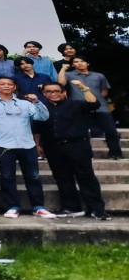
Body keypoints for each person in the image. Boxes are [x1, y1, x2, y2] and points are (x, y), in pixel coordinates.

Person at [0, 77, 56, 218]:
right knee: (7, 176)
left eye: (10, 84)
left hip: (27, 144)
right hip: (3, 145)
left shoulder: (25, 104)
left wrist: (37, 102)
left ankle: (38, 207)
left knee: (33, 176)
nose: (6, 86)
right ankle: (13, 206)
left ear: (14, 87)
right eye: (2, 84)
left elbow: (43, 117)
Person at [38, 81, 111, 220]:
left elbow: (94, 104)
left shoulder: (77, 104)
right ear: (44, 93)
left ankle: (97, 209)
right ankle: (71, 207)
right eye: (48, 91)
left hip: (77, 146)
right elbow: (37, 128)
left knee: (86, 177)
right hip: (53, 148)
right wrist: (38, 145)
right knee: (62, 178)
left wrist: (84, 88)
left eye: (56, 91)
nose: (53, 94)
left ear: (64, 92)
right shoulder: (42, 108)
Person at [58, 56, 123, 160]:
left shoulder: (99, 76)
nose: (80, 63)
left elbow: (104, 92)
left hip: (101, 107)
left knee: (111, 131)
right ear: (73, 64)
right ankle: (85, 155)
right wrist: (63, 69)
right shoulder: (69, 75)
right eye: (76, 62)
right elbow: (61, 83)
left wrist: (94, 99)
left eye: (82, 61)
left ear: (88, 63)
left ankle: (115, 153)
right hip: (79, 108)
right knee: (81, 133)